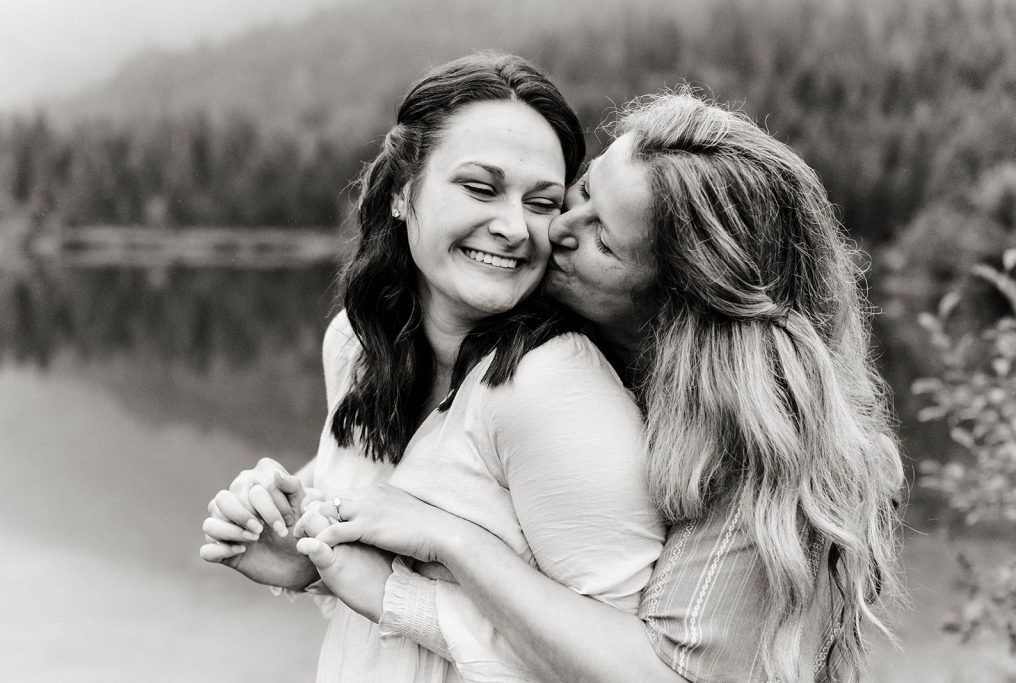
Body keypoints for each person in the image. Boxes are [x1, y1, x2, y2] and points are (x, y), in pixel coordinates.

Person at [285, 90, 905, 682]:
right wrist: (302, 537)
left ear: (676, 305)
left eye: (602, 239)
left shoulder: (758, 445)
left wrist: (448, 543)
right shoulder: (417, 346)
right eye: (581, 192)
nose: (555, 229)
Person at [199, 53, 665, 682]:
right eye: (480, 187)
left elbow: (643, 670)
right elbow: (357, 519)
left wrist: (396, 594)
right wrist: (295, 545)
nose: (513, 228)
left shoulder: (549, 386)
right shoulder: (357, 346)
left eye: (542, 201)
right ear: (401, 191)